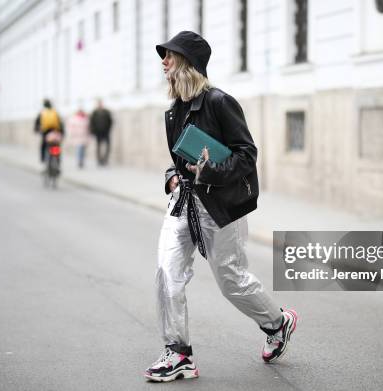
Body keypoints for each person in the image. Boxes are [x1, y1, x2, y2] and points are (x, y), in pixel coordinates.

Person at [144, 31, 298, 383]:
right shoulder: (174, 111)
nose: (164, 62)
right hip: (182, 203)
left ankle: (278, 323)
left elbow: (247, 155)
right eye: (164, 56)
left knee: (231, 281)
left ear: (187, 62)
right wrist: (172, 176)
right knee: (167, 272)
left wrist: (208, 169)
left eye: (170, 55)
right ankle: (179, 353)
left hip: (219, 206)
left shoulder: (219, 102)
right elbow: (179, 161)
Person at [89, 99, 113, 166]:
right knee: (98, 147)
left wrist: (108, 129)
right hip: (98, 133)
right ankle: (99, 160)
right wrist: (93, 131)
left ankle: (105, 159)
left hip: (106, 132)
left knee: (107, 146)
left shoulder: (106, 112)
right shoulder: (94, 112)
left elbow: (110, 121)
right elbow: (91, 123)